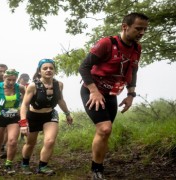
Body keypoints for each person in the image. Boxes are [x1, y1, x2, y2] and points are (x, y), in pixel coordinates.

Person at [78, 13, 149, 179]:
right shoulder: (107, 43)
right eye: (138, 28)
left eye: (145, 29)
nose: (142, 32)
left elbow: (133, 70)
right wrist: (94, 91)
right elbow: (84, 67)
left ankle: (99, 165)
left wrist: (131, 94)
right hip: (92, 91)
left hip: (111, 94)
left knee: (105, 132)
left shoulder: (137, 48)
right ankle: (96, 170)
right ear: (125, 26)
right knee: (105, 128)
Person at [19, 59, 73, 175]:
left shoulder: (59, 84)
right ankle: (25, 164)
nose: (48, 70)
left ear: (54, 70)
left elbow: (60, 100)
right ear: (39, 71)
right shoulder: (33, 86)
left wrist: (67, 113)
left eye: (51, 68)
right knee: (30, 143)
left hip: (50, 114)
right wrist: (23, 123)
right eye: (45, 68)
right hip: (33, 116)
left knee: (50, 141)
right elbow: (24, 105)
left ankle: (43, 166)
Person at [17, 73, 30, 142]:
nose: (25, 81)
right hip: (15, 106)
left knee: (24, 120)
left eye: (27, 80)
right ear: (20, 79)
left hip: (25, 106)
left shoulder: (28, 86)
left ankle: (22, 137)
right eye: (24, 80)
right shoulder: (15, 85)